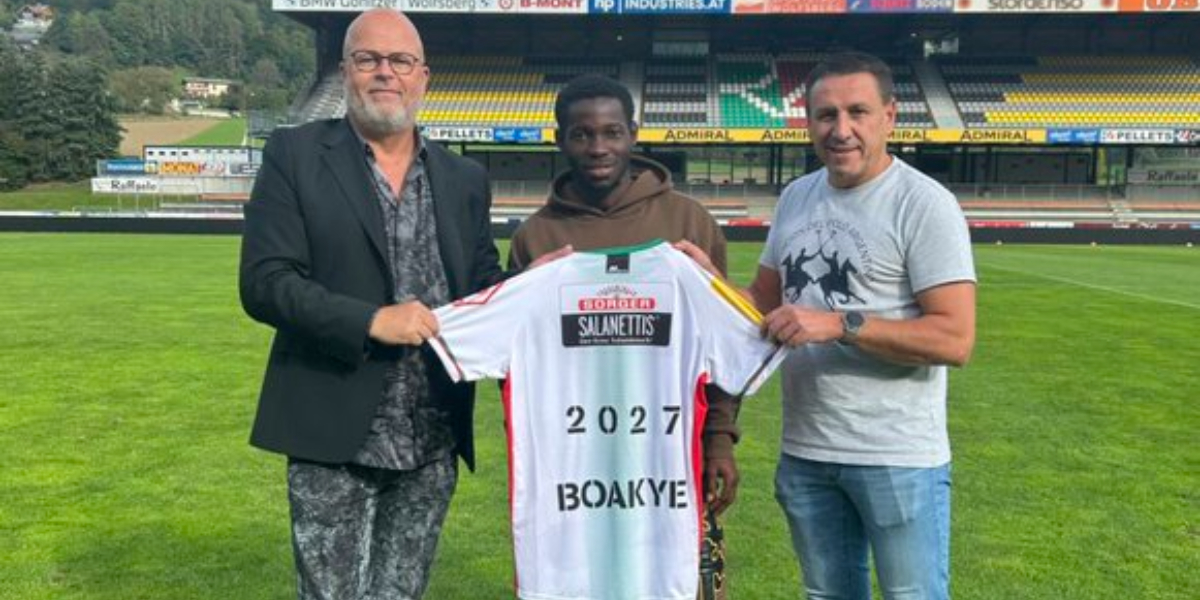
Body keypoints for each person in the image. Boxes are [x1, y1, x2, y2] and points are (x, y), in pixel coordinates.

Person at [677, 51, 976, 600]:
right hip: (808, 450)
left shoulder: (924, 204)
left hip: (897, 456)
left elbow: (954, 339)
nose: (841, 130)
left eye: (857, 112)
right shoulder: (797, 196)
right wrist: (707, 282)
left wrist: (840, 323)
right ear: (808, 122)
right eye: (825, 115)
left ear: (889, 116)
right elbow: (761, 305)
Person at [238, 9, 505, 600]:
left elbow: (485, 286)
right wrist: (370, 321)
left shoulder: (464, 178)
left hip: (432, 438)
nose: (386, 72)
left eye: (401, 61)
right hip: (332, 435)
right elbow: (264, 281)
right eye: (369, 59)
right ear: (345, 71)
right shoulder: (295, 154)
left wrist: (551, 280)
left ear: (423, 77)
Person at [507, 74, 739, 600]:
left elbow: (722, 346)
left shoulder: (689, 222)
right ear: (560, 139)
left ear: (633, 134)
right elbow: (518, 364)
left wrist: (719, 440)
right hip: (573, 467)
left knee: (682, 583)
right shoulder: (535, 237)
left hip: (672, 459)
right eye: (581, 134)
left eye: (612, 132)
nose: (598, 147)